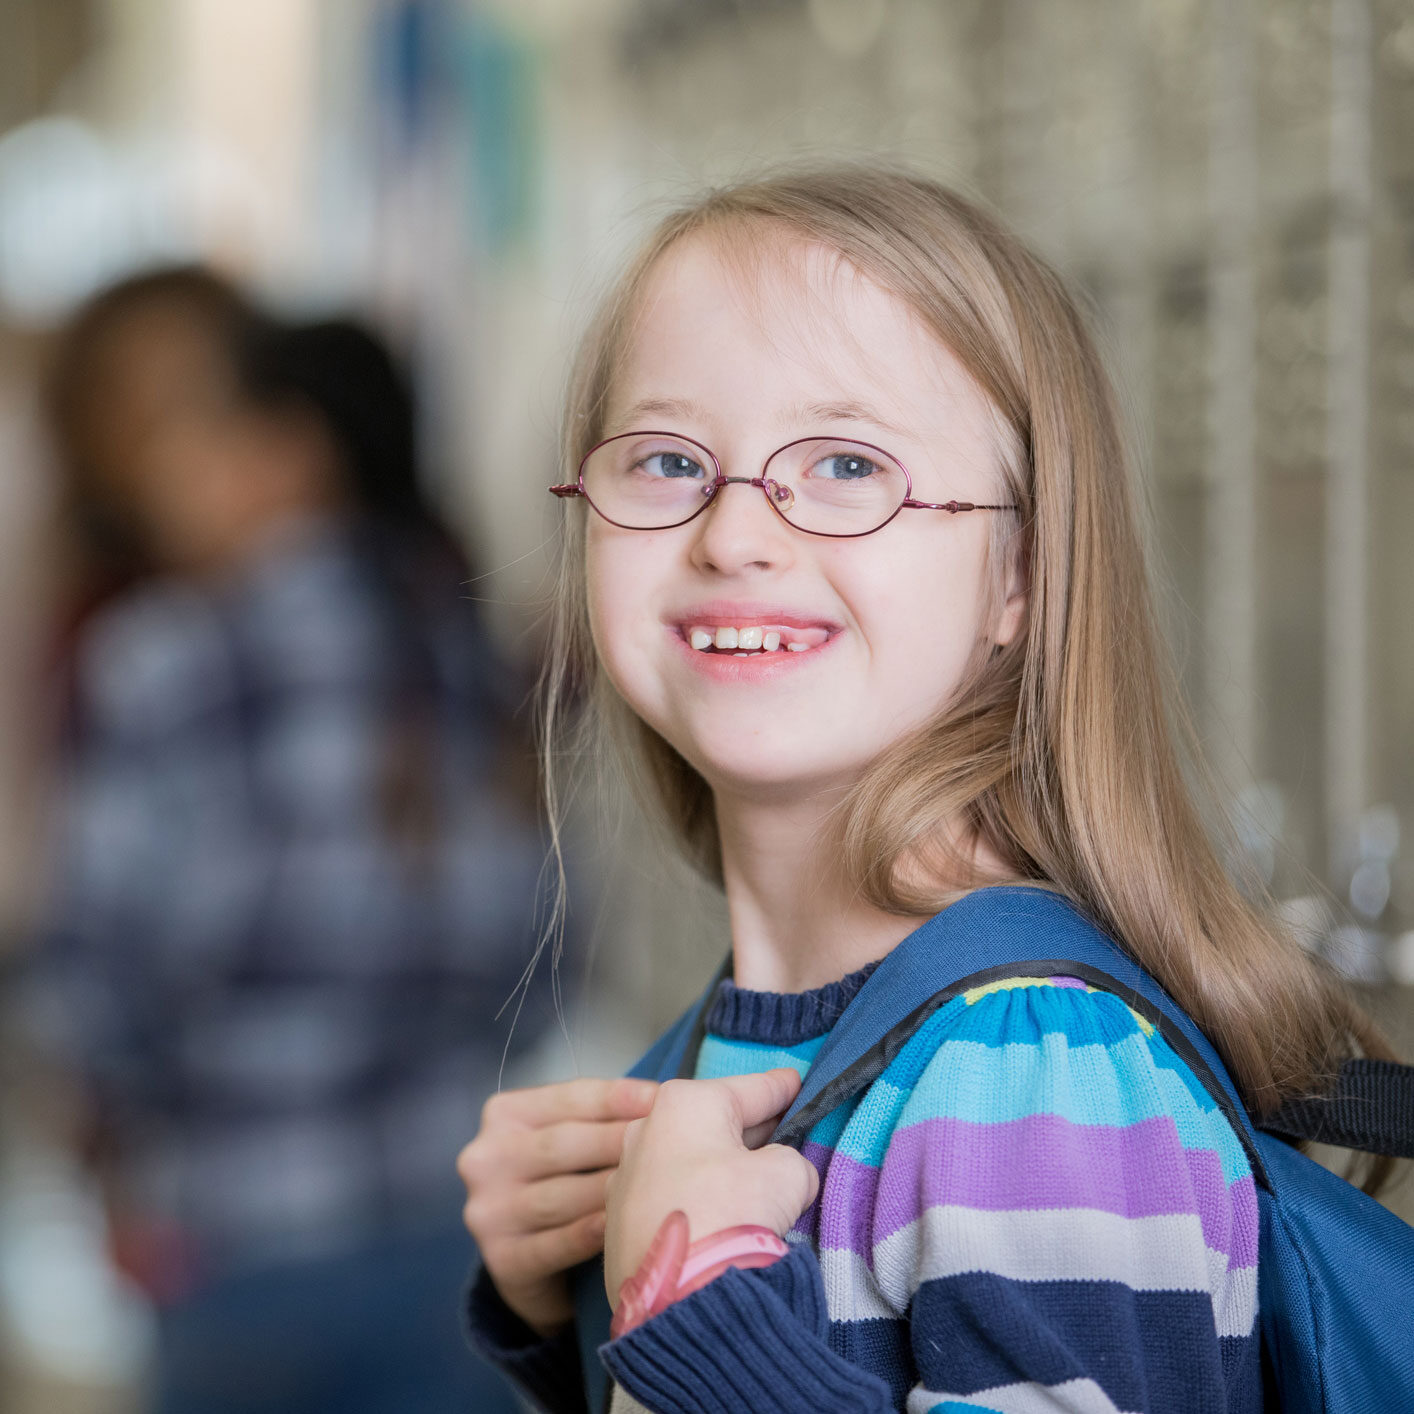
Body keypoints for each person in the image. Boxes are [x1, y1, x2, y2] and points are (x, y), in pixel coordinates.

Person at [455, 167, 1401, 1412]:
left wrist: (694, 1304)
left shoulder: (1031, 1072)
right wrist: (561, 1299)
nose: (734, 533)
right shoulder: (737, 1039)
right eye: (669, 459)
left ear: (1019, 576)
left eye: (848, 465)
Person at [30, 268, 539, 1412]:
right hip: (453, 1245)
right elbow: (556, 956)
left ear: (288, 451)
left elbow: (93, 983)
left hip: (235, 1244)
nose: (158, 467)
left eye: (194, 428)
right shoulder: (472, 661)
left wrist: (130, 1149)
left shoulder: (158, 661)